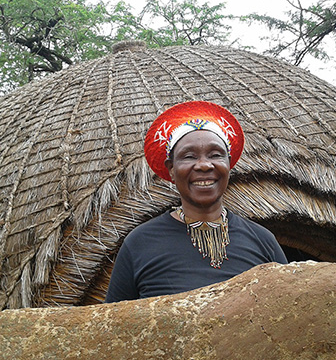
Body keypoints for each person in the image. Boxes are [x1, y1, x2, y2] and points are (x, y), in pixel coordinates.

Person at [105, 101, 287, 302]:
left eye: (215, 155)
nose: (203, 165)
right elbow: (113, 325)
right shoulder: (139, 243)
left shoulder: (263, 241)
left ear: (228, 163)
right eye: (189, 156)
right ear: (172, 169)